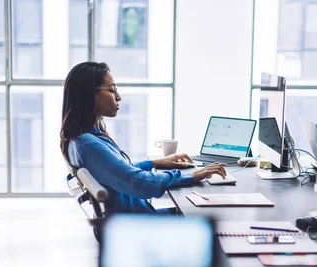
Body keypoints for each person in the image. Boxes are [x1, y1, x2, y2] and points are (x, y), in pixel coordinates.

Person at [60, 62, 227, 214]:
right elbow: (138, 182)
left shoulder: (81, 140)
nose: (118, 97)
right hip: (141, 227)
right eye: (111, 90)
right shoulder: (89, 145)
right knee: (212, 216)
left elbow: (119, 172)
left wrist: (155, 163)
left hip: (135, 221)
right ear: (89, 95)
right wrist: (193, 176)